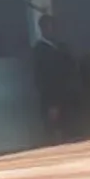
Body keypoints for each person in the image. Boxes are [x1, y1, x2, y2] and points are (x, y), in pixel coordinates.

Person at [32, 13, 79, 143]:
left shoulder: (61, 47)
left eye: (53, 27)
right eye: (48, 27)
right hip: (52, 98)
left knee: (68, 129)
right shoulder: (40, 51)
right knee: (55, 130)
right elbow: (42, 78)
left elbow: (70, 67)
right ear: (42, 29)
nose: (51, 30)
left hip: (66, 95)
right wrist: (51, 103)